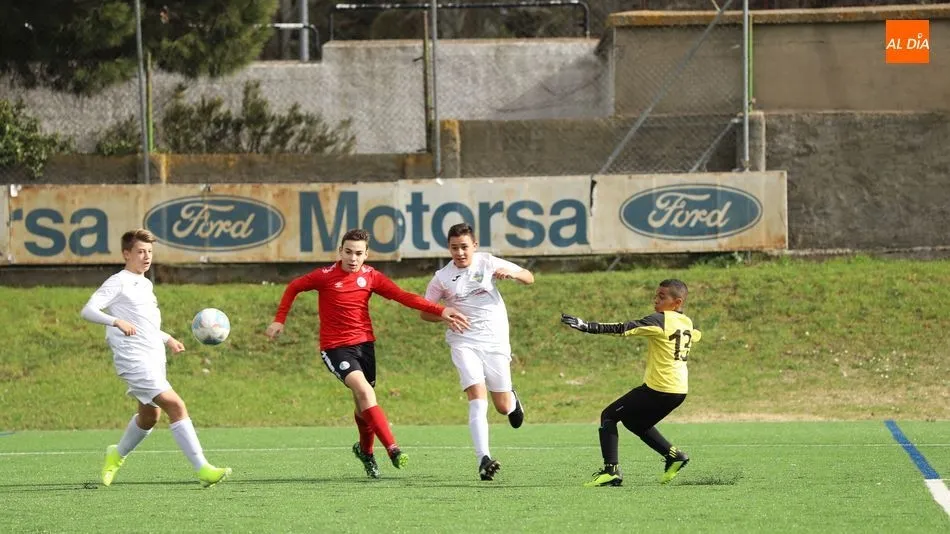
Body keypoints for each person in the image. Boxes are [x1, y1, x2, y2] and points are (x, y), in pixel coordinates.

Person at [265, 228, 471, 479]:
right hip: (335, 347)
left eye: (358, 253)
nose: (353, 258)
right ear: (340, 251)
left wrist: (440, 311)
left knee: (363, 407)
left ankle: (365, 451)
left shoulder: (371, 277)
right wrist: (279, 320)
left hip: (365, 346)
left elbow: (402, 296)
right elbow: (293, 287)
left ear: (366, 255)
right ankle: (393, 449)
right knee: (364, 391)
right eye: (348, 252)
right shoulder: (324, 276)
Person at [80, 229, 231, 488]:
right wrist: (115, 320)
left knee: (150, 417)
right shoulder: (119, 281)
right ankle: (203, 469)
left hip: (153, 356)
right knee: (176, 406)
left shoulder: (146, 283)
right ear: (126, 254)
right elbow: (88, 310)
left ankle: (116, 455)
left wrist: (167, 338)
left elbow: (143, 323)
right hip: (133, 358)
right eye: (140, 251)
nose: (146, 256)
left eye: (149, 252)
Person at [560, 278, 702, 487]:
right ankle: (675, 456)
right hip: (679, 390)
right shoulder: (687, 322)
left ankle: (611, 472)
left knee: (608, 416)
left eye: (662, 297)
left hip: (659, 389)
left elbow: (623, 328)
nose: (656, 300)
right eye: (656, 295)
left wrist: (587, 326)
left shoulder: (660, 320)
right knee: (636, 423)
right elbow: (696, 335)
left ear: (677, 302)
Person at [419, 223, 532, 481]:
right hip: (463, 342)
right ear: (448, 248)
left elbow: (529, 276)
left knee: (503, 406)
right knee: (476, 394)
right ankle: (483, 458)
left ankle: (512, 400)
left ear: (475, 246)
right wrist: (445, 316)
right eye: (454, 248)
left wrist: (511, 274)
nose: (459, 253)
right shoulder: (442, 278)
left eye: (464, 247)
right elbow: (425, 311)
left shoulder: (487, 263)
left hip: (494, 342)